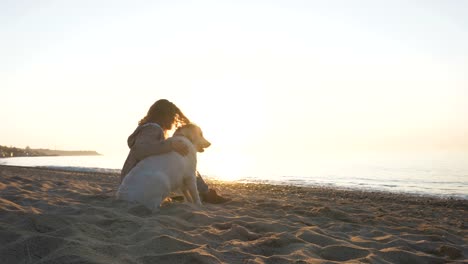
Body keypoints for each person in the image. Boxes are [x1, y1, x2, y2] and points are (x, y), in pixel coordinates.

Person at [120, 99, 229, 204]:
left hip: (138, 181)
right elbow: (140, 150)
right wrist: (171, 145)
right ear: (165, 116)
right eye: (172, 117)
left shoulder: (151, 129)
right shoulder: (152, 129)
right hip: (137, 182)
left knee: (187, 163)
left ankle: (203, 192)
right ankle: (205, 193)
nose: (173, 121)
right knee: (188, 164)